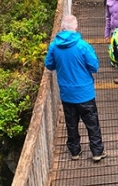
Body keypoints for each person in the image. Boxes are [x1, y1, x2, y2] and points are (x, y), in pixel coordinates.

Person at [44, 14, 106, 162]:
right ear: (76, 27)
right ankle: (97, 152)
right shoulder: (83, 46)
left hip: (66, 93)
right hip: (85, 93)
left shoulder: (54, 46)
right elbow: (94, 66)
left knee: (71, 124)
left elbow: (49, 65)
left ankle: (75, 152)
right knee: (92, 124)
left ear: (62, 27)